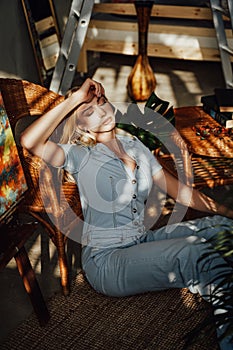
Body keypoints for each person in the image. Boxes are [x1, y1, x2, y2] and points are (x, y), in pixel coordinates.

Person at [20, 78, 233, 349]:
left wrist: (228, 211)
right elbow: (30, 141)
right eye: (88, 112)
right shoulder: (79, 156)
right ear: (81, 126)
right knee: (195, 253)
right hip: (106, 261)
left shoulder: (135, 147)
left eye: (100, 103)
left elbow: (180, 192)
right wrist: (75, 100)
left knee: (220, 228)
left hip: (139, 241)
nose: (99, 110)